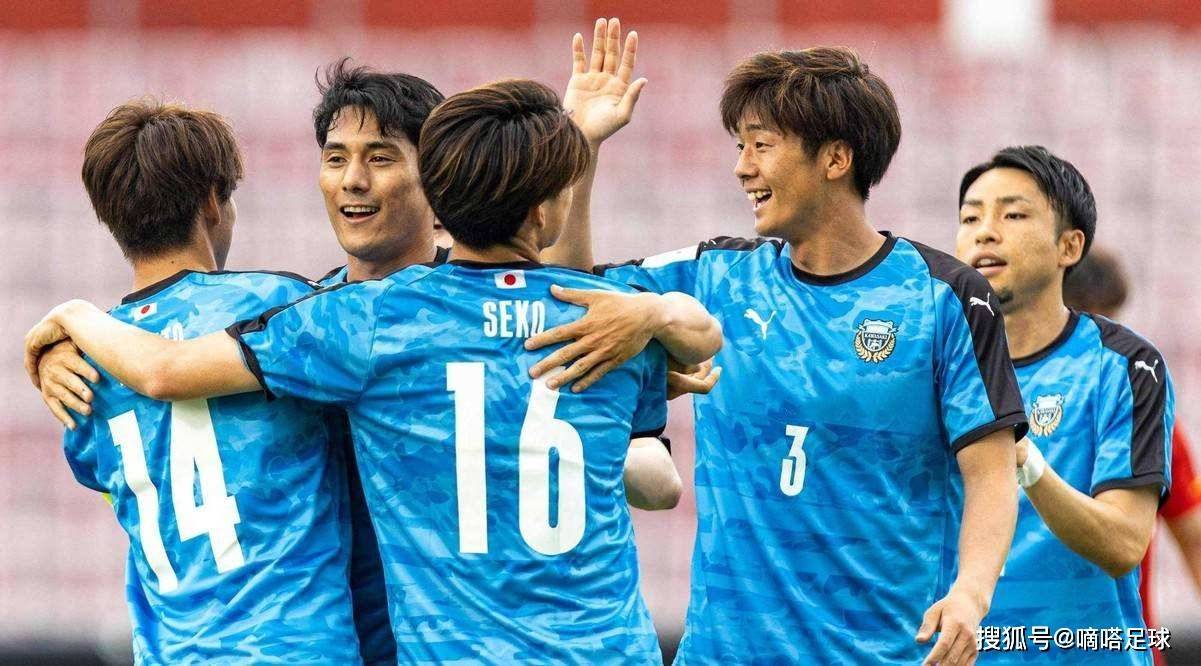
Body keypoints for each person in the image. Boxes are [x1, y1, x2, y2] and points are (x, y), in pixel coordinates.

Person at [25, 78, 723, 664]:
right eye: (335, 158)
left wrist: (76, 327)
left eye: (381, 157)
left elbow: (654, 475)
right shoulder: (314, 316)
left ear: (436, 181)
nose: (353, 180)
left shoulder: (330, 322)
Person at [526, 46, 1026, 665]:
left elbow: (991, 472)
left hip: (887, 651)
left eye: (761, 145)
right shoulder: (715, 273)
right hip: (722, 654)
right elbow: (567, 299)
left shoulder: (944, 296)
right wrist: (582, 145)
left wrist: (971, 595)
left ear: (836, 159)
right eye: (740, 146)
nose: (741, 168)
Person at [50, 99, 363, 663]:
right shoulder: (278, 304)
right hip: (293, 648)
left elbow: (102, 473)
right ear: (213, 202)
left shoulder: (85, 363)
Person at [956, 147, 1174, 665]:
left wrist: (1026, 463)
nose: (985, 232)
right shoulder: (934, 366)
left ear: (1069, 246)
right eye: (970, 218)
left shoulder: (1124, 366)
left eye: (1013, 215)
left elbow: (1123, 544)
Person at [1064, 247, 1200, 666]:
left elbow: (1195, 538)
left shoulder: (1148, 418)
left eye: (1109, 324)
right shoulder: (994, 417)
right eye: (1084, 323)